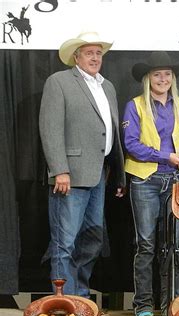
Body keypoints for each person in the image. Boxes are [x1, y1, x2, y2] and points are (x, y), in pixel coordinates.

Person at [39, 31, 126, 297]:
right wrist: (60, 170)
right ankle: (61, 300)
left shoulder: (107, 86)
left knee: (92, 238)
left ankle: (80, 296)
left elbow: (108, 131)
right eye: (89, 53)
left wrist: (118, 174)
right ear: (76, 57)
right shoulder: (60, 82)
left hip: (99, 173)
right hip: (71, 175)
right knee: (65, 240)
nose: (95, 57)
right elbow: (50, 127)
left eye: (98, 53)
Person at [122, 51, 179, 316]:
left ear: (173, 78)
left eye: (167, 74)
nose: (162, 79)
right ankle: (144, 305)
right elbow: (131, 144)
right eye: (157, 74)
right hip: (145, 179)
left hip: (176, 179)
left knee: (171, 245)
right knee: (146, 244)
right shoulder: (135, 105)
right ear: (148, 79)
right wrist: (166, 156)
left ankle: (170, 303)